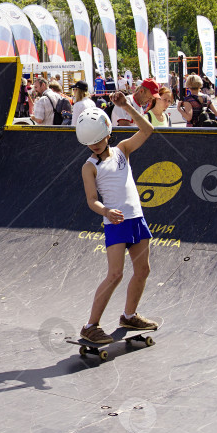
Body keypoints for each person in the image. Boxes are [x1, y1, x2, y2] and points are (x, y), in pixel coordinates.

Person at [75, 97, 159, 345]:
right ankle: (90, 326)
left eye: (98, 140)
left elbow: (148, 129)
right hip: (116, 223)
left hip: (137, 219)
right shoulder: (89, 167)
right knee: (115, 274)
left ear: (107, 133)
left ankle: (129, 316)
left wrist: (126, 105)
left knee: (143, 270)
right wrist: (106, 211)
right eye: (90, 143)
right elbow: (92, 200)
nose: (95, 146)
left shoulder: (123, 149)